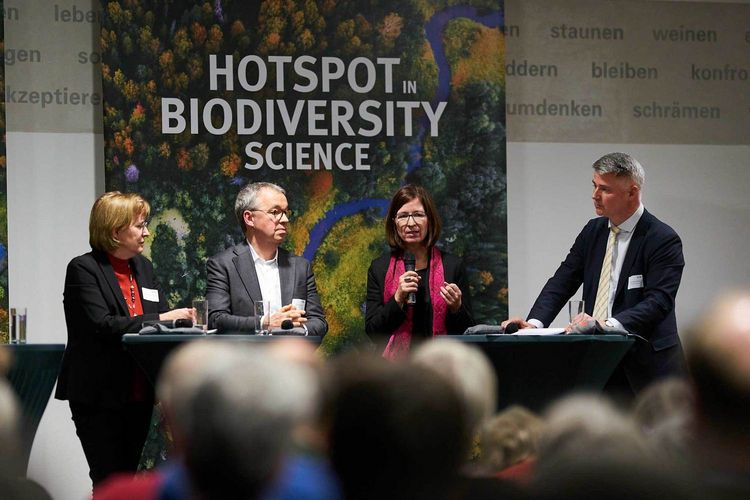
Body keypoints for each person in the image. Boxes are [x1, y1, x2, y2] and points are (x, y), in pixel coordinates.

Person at [502, 152, 685, 395]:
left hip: (648, 372)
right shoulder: (593, 231)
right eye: (594, 186)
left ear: (632, 192)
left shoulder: (662, 239)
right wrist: (534, 324)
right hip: (598, 363)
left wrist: (606, 325)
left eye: (605, 189)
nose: (594, 196)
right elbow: (562, 281)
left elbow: (659, 302)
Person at [55, 191, 194, 486]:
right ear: (116, 231)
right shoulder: (83, 269)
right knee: (108, 479)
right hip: (98, 393)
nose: (146, 232)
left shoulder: (144, 267)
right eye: (140, 225)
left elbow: (159, 316)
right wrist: (163, 319)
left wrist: (180, 322)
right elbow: (102, 324)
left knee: (127, 477)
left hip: (139, 391)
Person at [366, 184, 474, 359]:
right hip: (395, 373)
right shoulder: (380, 267)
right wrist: (398, 298)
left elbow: (467, 331)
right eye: (403, 216)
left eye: (418, 215)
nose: (411, 223)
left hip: (441, 368)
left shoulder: (452, 266)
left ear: (429, 219)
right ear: (394, 222)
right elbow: (373, 332)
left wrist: (456, 308)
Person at [206, 182, 327, 335]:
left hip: (289, 355)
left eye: (286, 212)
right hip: (243, 356)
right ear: (249, 218)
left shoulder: (301, 267)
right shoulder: (223, 264)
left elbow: (319, 322)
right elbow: (215, 318)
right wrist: (264, 323)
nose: (285, 220)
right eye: (275, 212)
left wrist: (295, 330)